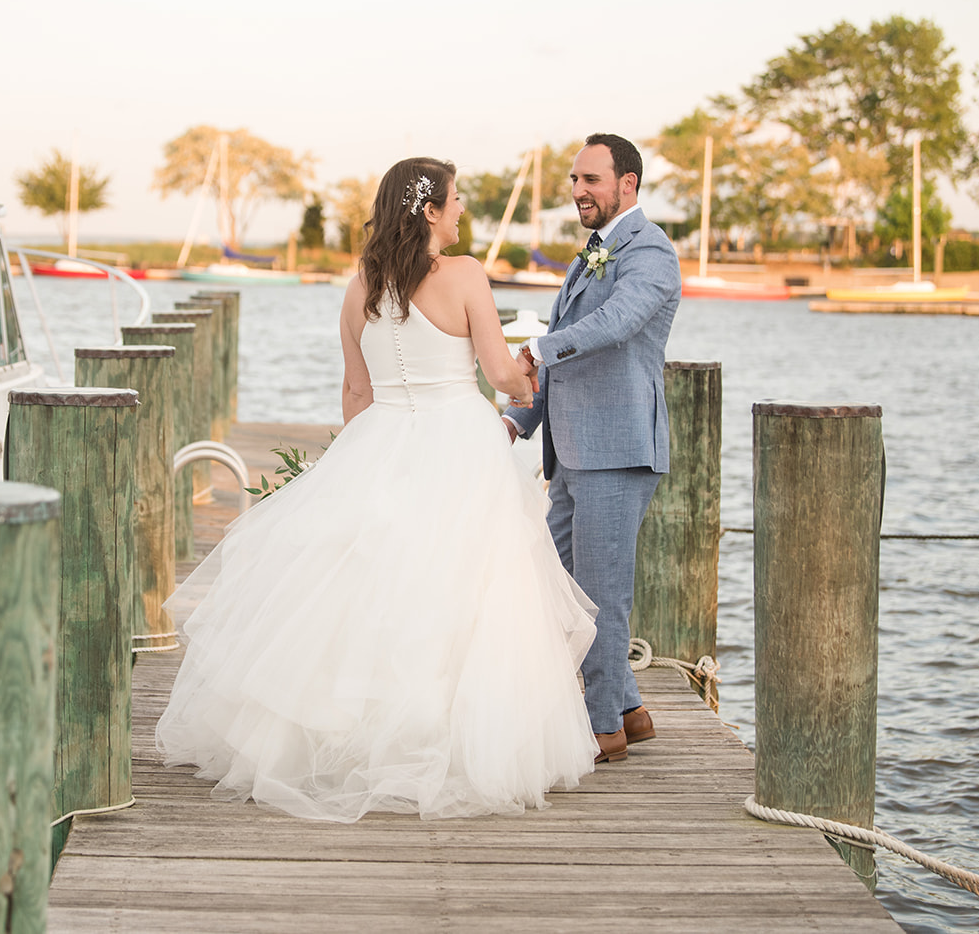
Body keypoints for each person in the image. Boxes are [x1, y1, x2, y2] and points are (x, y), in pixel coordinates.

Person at [156, 157, 602, 823]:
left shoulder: (359, 283)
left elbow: (356, 390)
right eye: (454, 202)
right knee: (466, 587)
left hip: (381, 436)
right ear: (428, 210)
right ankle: (450, 741)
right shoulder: (467, 276)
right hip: (459, 441)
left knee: (374, 585)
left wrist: (359, 464)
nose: (459, 214)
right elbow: (501, 376)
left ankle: (361, 738)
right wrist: (530, 370)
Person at [501, 133, 682, 764]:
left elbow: (612, 326)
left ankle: (601, 727)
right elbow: (567, 356)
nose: (578, 191)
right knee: (560, 586)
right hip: (572, 452)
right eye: (575, 181)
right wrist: (519, 420)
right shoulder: (591, 254)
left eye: (590, 180)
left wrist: (536, 349)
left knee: (601, 596)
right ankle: (631, 711)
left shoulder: (651, 252)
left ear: (626, 184)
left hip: (618, 450)